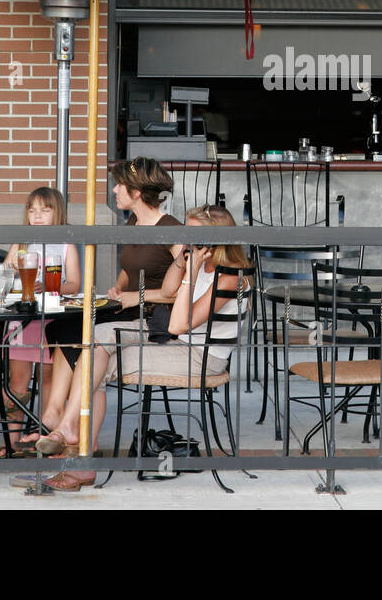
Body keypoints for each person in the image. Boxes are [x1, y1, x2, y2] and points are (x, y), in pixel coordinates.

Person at [38, 204, 248, 491]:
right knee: (97, 338)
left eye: (193, 234)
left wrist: (192, 271)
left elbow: (177, 324)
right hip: (176, 342)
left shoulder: (230, 277)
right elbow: (170, 291)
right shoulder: (198, 263)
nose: (186, 238)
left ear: (216, 238)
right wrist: (183, 262)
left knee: (99, 361)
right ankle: (69, 432)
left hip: (201, 356)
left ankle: (77, 451)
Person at [25, 157, 185, 490]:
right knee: (61, 328)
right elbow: (132, 265)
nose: (113, 190)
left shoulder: (171, 228)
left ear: (137, 192)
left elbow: (181, 288)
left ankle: (65, 423)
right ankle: (60, 417)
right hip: (127, 307)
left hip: (151, 316)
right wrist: (118, 286)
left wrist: (136, 297)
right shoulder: (132, 223)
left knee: (89, 341)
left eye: (119, 185)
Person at [0, 187, 81, 457]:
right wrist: (15, 268)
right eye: (32, 210)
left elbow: (76, 283)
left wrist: (54, 288)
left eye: (45, 210)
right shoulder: (22, 241)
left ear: (58, 212)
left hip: (53, 319)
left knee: (48, 380)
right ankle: (14, 442)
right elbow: (6, 275)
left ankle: (43, 439)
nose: (38, 216)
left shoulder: (66, 244)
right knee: (17, 384)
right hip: (22, 319)